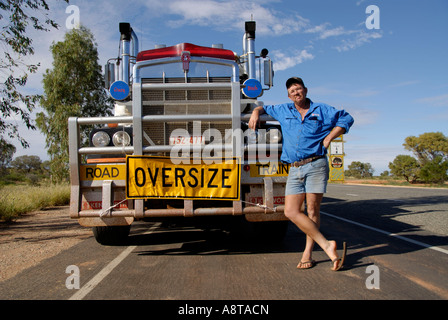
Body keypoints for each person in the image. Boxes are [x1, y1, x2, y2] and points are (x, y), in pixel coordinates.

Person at [248, 77, 354, 271]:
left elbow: (347, 118)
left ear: (305, 90)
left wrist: (330, 137)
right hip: (295, 168)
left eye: (299, 89)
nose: (296, 93)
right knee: (291, 211)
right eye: (292, 91)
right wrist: (255, 112)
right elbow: (264, 108)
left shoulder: (321, 109)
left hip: (316, 164)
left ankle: (308, 253)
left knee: (312, 211)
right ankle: (327, 244)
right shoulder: (284, 110)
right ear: (289, 96)